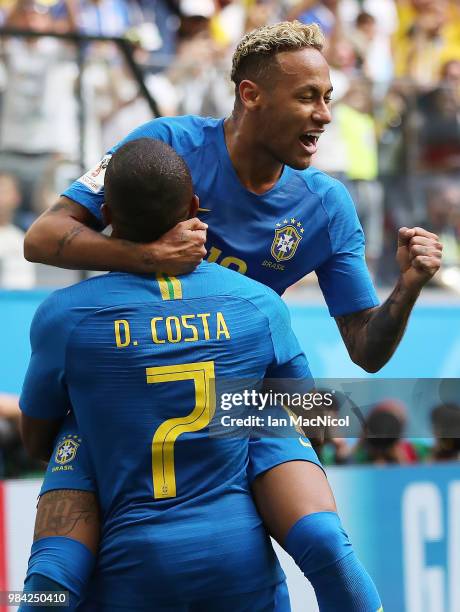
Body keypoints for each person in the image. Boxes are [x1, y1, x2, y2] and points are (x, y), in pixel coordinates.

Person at [22, 18, 441, 609]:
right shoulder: (165, 143)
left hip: (243, 398)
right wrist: (144, 256)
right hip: (129, 380)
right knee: (51, 578)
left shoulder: (326, 204)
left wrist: (408, 287)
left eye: (328, 99)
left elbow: (366, 350)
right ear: (250, 94)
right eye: (306, 97)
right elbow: (42, 236)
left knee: (323, 536)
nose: (324, 114)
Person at [21, 137, 308, 610]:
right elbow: (312, 413)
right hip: (238, 564)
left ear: (107, 215)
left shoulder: (64, 318)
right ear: (195, 207)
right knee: (327, 544)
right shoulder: (256, 304)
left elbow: (35, 443)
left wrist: (97, 421)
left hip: (129, 570)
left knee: (44, 589)